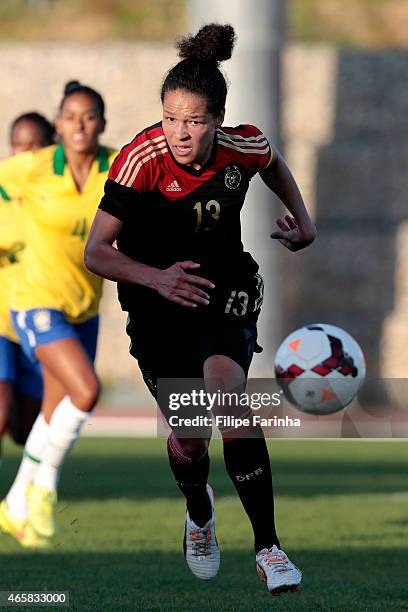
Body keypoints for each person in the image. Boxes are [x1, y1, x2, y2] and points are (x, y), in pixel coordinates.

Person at [85, 24, 316, 595]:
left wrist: (304, 222)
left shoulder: (244, 143)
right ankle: (199, 509)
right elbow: (97, 251)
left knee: (226, 397)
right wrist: (157, 278)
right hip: (153, 297)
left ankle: (269, 548)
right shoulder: (142, 159)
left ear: (218, 119)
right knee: (190, 437)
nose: (179, 133)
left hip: (223, 286)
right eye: (169, 117)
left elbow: (273, 163)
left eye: (193, 120)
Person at [0, 81, 117, 548]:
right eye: (71, 116)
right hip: (35, 301)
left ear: (102, 123)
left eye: (89, 116)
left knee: (53, 410)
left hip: (85, 307)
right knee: (87, 390)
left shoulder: (117, 167)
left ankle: (13, 503)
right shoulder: (31, 169)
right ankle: (45, 489)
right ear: (59, 123)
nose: (80, 124)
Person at [0, 113, 55, 465]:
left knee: (26, 429)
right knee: (1, 413)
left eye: (35, 146)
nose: (26, 154)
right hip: (2, 320)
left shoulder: (60, 195)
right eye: (19, 146)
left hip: (42, 320)